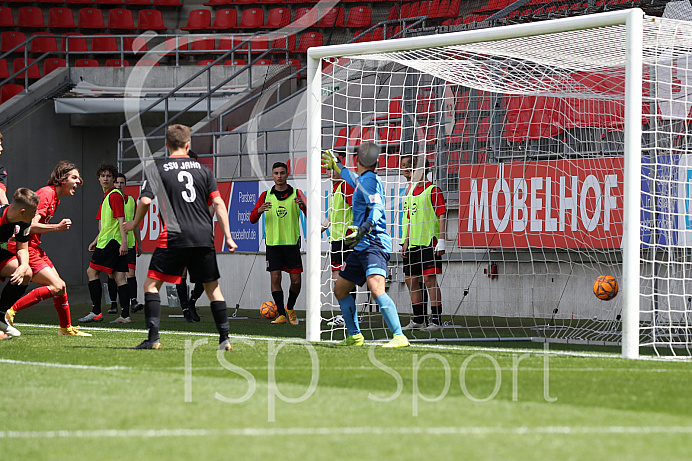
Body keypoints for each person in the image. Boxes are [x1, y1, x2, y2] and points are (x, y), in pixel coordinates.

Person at [124, 124, 238, 350]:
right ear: (188, 145)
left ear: (166, 145)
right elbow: (218, 202)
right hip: (203, 234)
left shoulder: (158, 169)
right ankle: (224, 339)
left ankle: (153, 338)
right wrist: (228, 236)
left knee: (151, 285)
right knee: (213, 288)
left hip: (174, 234)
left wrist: (134, 223)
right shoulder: (203, 170)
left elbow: (145, 201)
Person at [322, 143, 409, 348]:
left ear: (357, 160)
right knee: (341, 289)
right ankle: (355, 336)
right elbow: (351, 178)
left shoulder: (368, 181)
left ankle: (399, 336)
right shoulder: (363, 179)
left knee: (376, 288)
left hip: (374, 243)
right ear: (376, 161)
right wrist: (337, 166)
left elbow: (377, 205)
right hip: (361, 245)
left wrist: (366, 226)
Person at [2, 162, 91, 337]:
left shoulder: (55, 197)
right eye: (74, 177)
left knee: (61, 287)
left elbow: (29, 226)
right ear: (62, 179)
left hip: (33, 247)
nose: (78, 181)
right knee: (57, 285)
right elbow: (30, 225)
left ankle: (65, 328)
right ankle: (9, 310)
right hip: (27, 247)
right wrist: (57, 227)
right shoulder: (46, 194)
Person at [249, 161, 307, 325]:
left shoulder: (297, 193)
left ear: (287, 175)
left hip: (291, 244)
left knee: (296, 281)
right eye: (276, 173)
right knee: (275, 278)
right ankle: (281, 314)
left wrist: (304, 206)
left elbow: (311, 216)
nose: (279, 176)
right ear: (272, 176)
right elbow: (252, 219)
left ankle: (290, 307)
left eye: (282, 173)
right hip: (273, 245)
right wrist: (259, 211)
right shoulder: (266, 196)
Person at [79, 163, 130, 324]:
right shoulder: (109, 196)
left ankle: (96, 312)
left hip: (111, 243)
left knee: (91, 272)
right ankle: (125, 316)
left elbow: (122, 221)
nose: (105, 178)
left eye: (109, 176)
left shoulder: (114, 195)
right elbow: (107, 224)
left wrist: (123, 243)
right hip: (110, 241)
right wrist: (95, 240)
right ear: (99, 178)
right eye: (103, 176)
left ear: (114, 178)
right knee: (120, 277)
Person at [400, 155, 447, 331]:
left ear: (423, 170)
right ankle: (418, 319)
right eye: (405, 167)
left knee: (429, 280)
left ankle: (436, 320)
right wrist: (405, 241)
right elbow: (410, 218)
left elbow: (442, 214)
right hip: (412, 244)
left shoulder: (433, 190)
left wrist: (441, 240)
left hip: (429, 242)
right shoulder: (409, 192)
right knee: (410, 280)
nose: (408, 171)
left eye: (412, 168)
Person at [0, 189, 40, 339]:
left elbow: (22, 248)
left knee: (26, 274)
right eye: (34, 211)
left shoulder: (24, 220)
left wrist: (23, 265)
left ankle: (1, 315)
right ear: (22, 211)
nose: (36, 214)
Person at [321, 151, 355, 328]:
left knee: (345, 278)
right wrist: (320, 229)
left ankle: (350, 315)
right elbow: (333, 215)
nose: (330, 172)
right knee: (337, 278)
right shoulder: (334, 189)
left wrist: (354, 231)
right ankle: (346, 313)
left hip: (347, 239)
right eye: (327, 169)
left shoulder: (346, 186)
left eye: (333, 168)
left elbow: (357, 207)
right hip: (336, 240)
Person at [106, 173, 143, 316]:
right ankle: (114, 303)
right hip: (114, 243)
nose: (119, 185)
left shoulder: (131, 201)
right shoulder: (111, 199)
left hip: (130, 244)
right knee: (111, 275)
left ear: (125, 185)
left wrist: (139, 243)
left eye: (122, 183)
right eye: (116, 183)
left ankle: (133, 301)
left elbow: (136, 224)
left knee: (130, 273)